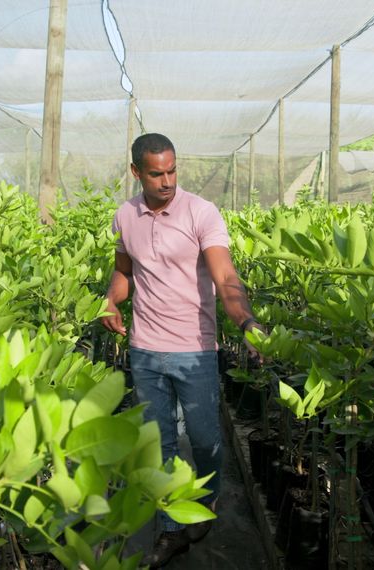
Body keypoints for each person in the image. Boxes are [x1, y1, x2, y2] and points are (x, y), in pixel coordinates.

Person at [101, 133, 265, 567]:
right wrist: (110, 300)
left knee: (207, 440)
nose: (167, 181)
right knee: (160, 446)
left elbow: (225, 277)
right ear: (136, 172)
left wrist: (246, 322)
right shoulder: (125, 215)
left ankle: (204, 507)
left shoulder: (201, 213)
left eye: (173, 170)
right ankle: (170, 529)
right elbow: (123, 272)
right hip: (145, 351)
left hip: (195, 352)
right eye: (156, 173)